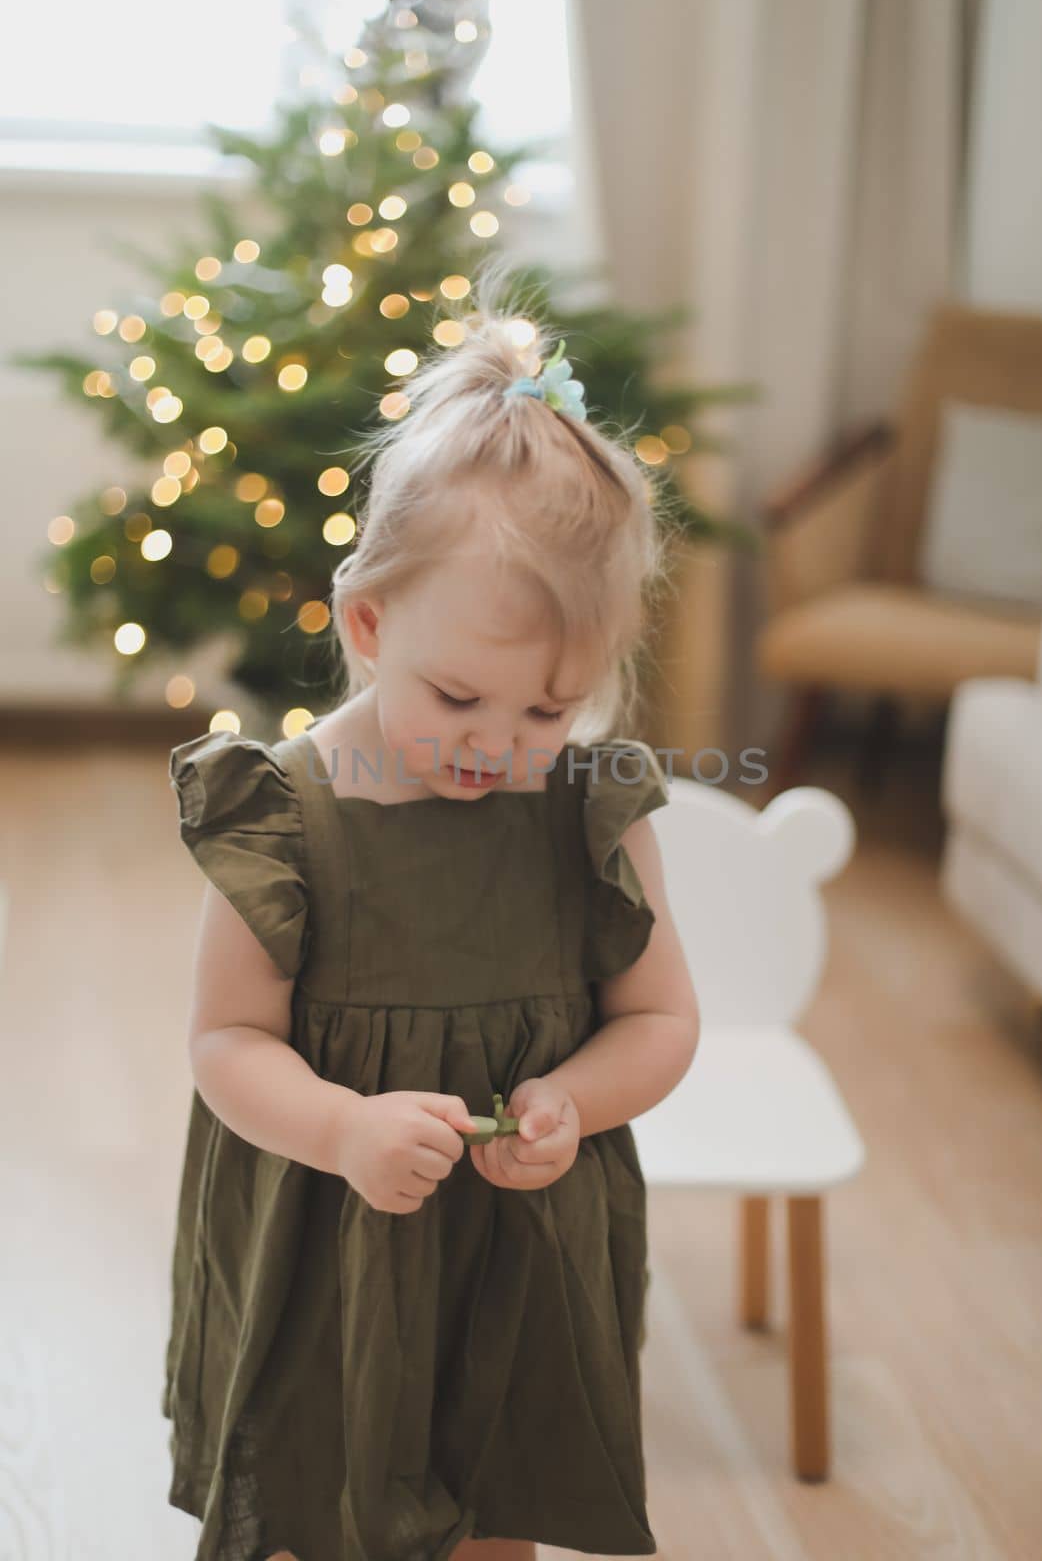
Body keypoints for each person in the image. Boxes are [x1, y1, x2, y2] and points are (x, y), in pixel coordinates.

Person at [162, 262, 701, 1561]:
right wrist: (343, 1126)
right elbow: (225, 1043)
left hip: (520, 1249)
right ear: (367, 621)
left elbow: (663, 1017)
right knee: (316, 1497)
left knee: (493, 1506)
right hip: (327, 1246)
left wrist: (581, 1096)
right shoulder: (285, 811)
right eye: (459, 698)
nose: (497, 743)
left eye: (547, 709)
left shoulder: (585, 813)